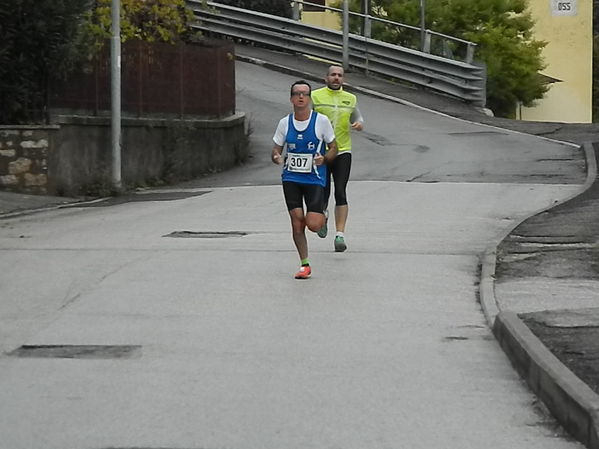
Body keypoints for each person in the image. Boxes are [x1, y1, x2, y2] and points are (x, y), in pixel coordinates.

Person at [272, 80, 338, 279]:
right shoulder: (285, 122)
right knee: (297, 221)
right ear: (292, 98)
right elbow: (276, 148)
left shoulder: (321, 121)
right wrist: (276, 157)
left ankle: (323, 218)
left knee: (313, 224)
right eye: (297, 93)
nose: (301, 97)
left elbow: (334, 147)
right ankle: (304, 264)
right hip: (291, 177)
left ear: (309, 99)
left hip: (314, 178)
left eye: (305, 94)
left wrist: (324, 158)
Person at [311, 65, 364, 252]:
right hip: (321, 152)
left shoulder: (350, 98)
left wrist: (358, 124)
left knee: (340, 191)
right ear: (326, 78)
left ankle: (340, 235)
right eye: (333, 75)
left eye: (339, 75)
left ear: (343, 79)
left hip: (343, 151)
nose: (336, 78)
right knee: (322, 192)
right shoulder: (315, 96)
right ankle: (322, 215)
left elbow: (358, 118)